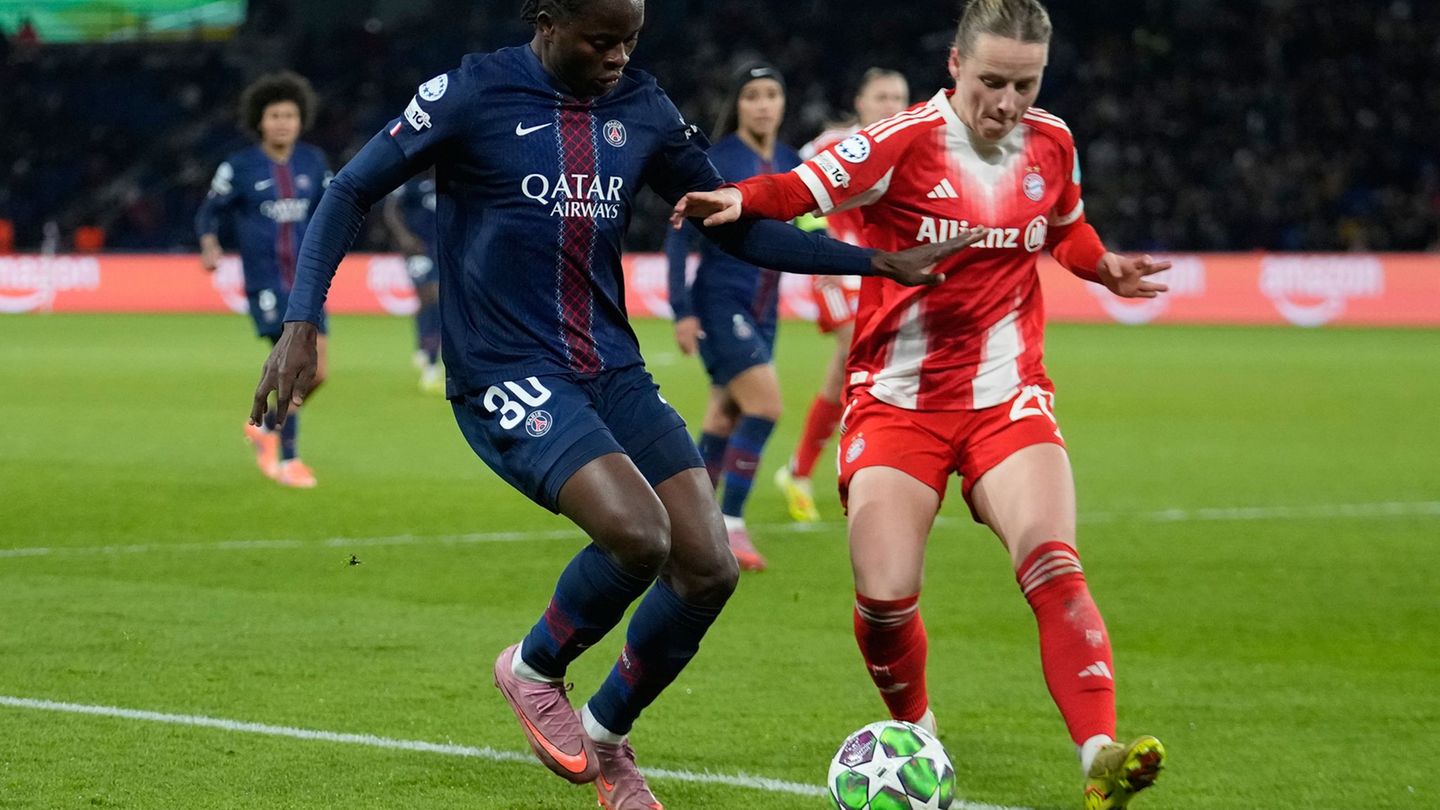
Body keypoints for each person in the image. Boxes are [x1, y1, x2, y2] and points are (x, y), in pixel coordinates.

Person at [247, 1, 983, 806]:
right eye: (601, 39)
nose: (618, 57)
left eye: (631, 39)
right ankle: (532, 668)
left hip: (611, 365)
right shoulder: (473, 92)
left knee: (707, 567)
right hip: (505, 370)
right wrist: (302, 318)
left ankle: (606, 737)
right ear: (546, 19)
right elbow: (350, 190)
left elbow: (733, 224)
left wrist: (879, 261)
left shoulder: (641, 106)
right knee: (638, 535)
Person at [673, 1, 1170, 806]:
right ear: (955, 66)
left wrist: (1101, 264)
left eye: (1025, 83)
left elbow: (1065, 228)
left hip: (1007, 394)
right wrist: (738, 200)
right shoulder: (900, 142)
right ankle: (919, 731)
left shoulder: (1054, 141)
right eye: (991, 81)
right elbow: (799, 186)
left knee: (1052, 559)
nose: (1007, 102)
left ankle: (1100, 755)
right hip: (897, 401)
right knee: (883, 595)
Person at [665, 63, 800, 572]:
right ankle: (731, 523)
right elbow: (678, 235)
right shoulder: (717, 160)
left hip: (766, 309)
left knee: (726, 415)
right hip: (721, 302)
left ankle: (684, 523)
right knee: (764, 406)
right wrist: (681, 310)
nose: (763, 104)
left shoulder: (790, 161)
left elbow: (808, 222)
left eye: (772, 94)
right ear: (738, 105)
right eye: (752, 95)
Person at [773, 67, 911, 523]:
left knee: (848, 374)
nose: (892, 105)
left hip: (883, 267)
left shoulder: (912, 146)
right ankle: (850, 468)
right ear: (860, 103)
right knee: (855, 350)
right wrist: (821, 245)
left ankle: (800, 469)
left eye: (899, 97)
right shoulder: (831, 146)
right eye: (882, 96)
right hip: (835, 266)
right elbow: (799, 191)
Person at [198, 71, 331, 489]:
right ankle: (288, 459)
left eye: (289, 115)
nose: (282, 122)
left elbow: (331, 211)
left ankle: (266, 429)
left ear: (300, 119)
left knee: (319, 372)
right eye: (274, 115)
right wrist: (208, 244)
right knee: (295, 367)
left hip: (309, 285)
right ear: (260, 120)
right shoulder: (239, 167)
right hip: (268, 283)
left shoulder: (313, 162)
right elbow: (209, 212)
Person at [382, 170, 444, 393]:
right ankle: (431, 363)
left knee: (432, 302)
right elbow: (391, 210)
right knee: (432, 296)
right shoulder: (411, 181)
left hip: (445, 250)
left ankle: (423, 343)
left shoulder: (455, 179)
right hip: (418, 249)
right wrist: (404, 237)